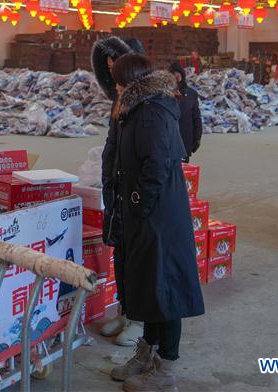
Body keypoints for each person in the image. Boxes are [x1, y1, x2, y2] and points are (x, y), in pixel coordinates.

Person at [105, 54, 204, 391]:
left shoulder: (154, 110)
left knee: (166, 287)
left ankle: (166, 370)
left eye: (117, 80)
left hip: (160, 214)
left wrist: (137, 203)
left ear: (131, 81)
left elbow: (158, 165)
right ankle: (147, 351)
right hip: (143, 213)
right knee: (147, 284)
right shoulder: (132, 108)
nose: (114, 86)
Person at [92, 36, 146, 345]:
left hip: (137, 195)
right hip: (118, 189)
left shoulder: (150, 103)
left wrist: (139, 198)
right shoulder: (120, 98)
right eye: (108, 68)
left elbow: (155, 160)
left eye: (118, 67)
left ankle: (140, 320)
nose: (113, 74)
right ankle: (126, 311)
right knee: (122, 256)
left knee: (140, 259)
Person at [168, 62, 203, 162]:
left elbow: (196, 118)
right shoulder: (165, 94)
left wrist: (197, 137)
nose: (176, 77)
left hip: (185, 139)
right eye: (173, 74)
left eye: (178, 74)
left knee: (183, 172)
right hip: (168, 141)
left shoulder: (191, 94)